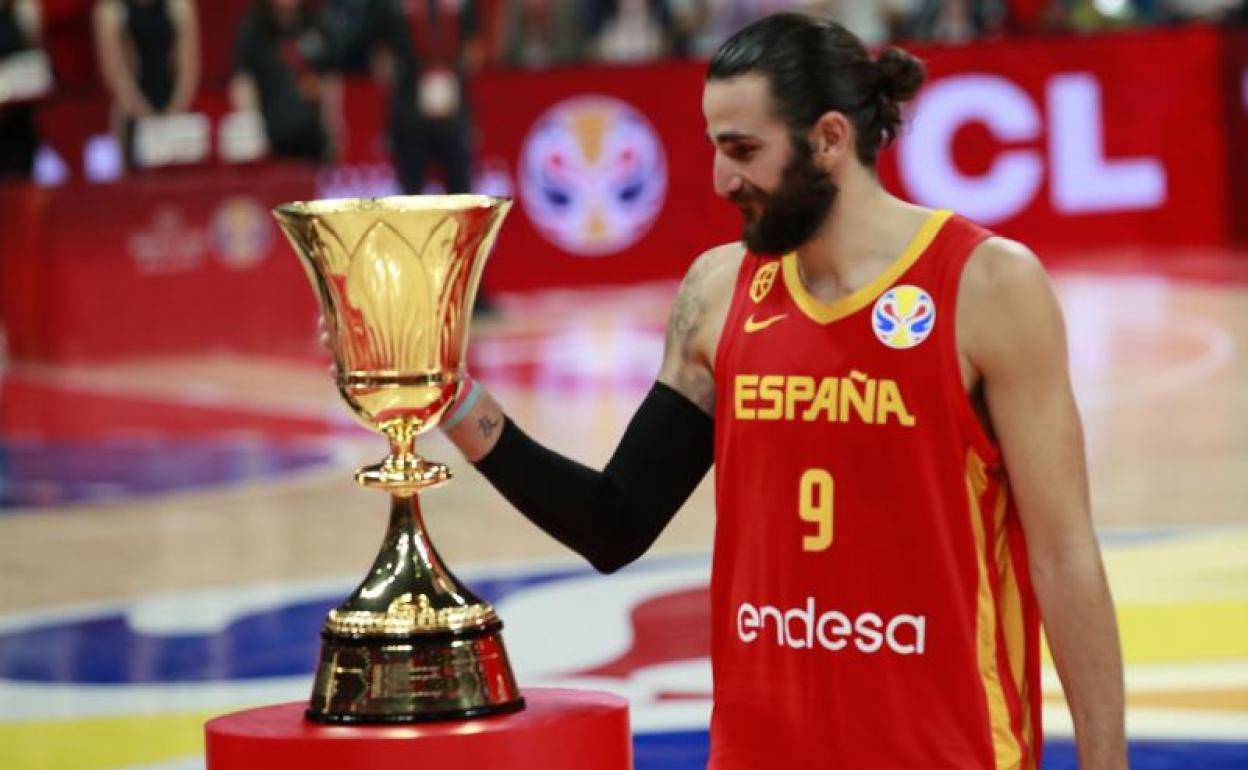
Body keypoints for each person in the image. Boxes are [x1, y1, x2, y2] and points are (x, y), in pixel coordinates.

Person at [437, 12, 1126, 769]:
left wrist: (1105, 761)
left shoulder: (988, 285)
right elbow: (614, 522)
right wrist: (444, 392)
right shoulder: (719, 289)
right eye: (715, 148)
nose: (720, 179)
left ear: (828, 139)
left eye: (744, 151)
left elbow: (1063, 555)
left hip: (947, 749)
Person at [92, 0, 200, 169]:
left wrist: (176, 109)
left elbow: (189, 63)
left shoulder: (178, 5)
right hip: (132, 113)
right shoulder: (111, 10)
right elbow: (114, 71)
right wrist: (144, 115)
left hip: (177, 108)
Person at [231, 0, 341, 163]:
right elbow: (243, 82)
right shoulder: (254, 29)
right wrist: (251, 127)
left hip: (313, 133)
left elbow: (329, 79)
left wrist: (333, 128)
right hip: (271, 134)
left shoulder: (318, 23)